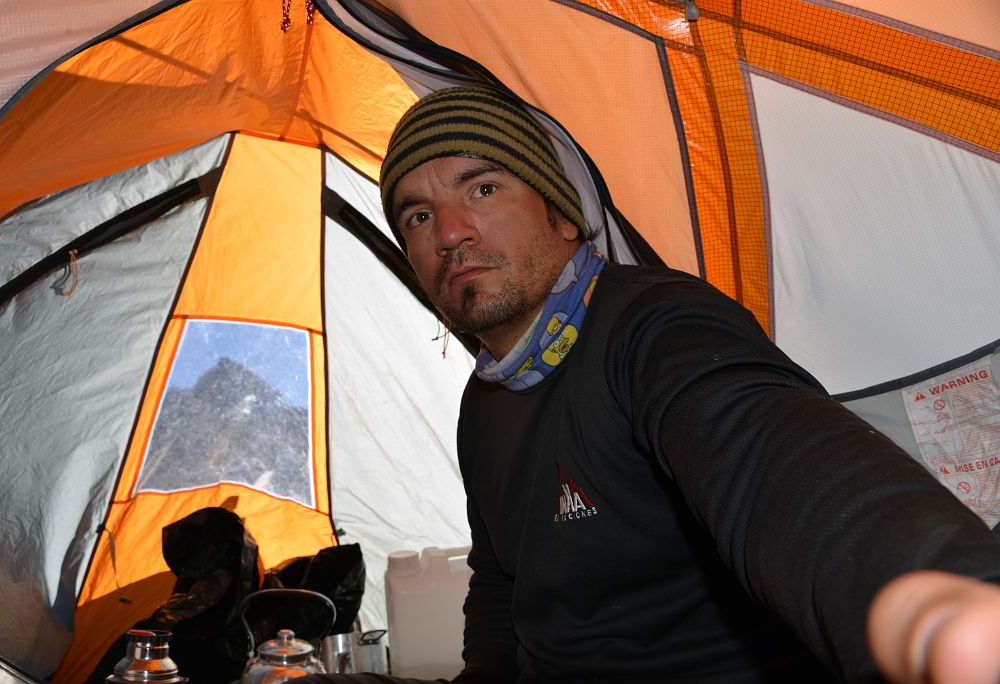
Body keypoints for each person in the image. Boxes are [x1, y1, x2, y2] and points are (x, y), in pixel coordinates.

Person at [301, 86, 1000, 683]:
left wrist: (929, 597)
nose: (450, 232)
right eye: (418, 216)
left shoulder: (657, 325)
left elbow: (770, 460)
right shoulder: (482, 405)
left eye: (483, 188)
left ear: (563, 214)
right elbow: (500, 584)